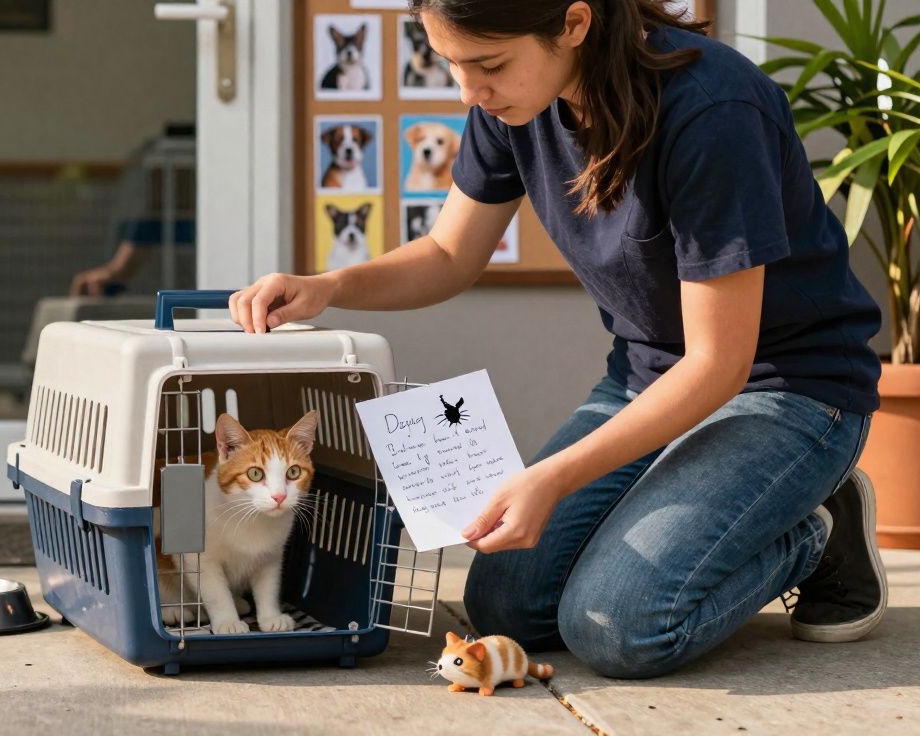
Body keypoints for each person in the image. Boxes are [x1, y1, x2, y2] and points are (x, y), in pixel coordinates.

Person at [228, 0, 885, 679]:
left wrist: (554, 476)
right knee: (504, 602)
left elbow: (721, 365)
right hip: (647, 382)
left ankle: (814, 528)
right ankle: (713, 505)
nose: (469, 92)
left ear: (574, 23)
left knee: (619, 628)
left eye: (488, 65)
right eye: (450, 65)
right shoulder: (515, 103)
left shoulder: (713, 111)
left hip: (786, 390)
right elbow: (450, 255)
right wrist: (329, 284)